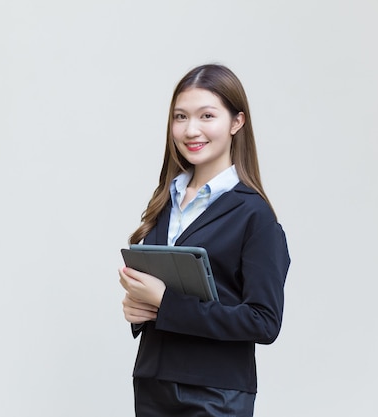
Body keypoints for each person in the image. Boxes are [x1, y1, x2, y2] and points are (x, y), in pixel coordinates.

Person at [118, 63, 291, 417]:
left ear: (236, 122)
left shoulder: (253, 215)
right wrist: (137, 310)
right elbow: (162, 294)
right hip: (153, 381)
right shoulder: (164, 200)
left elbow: (264, 321)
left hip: (216, 392)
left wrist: (166, 303)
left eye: (206, 115)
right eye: (180, 117)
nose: (190, 129)